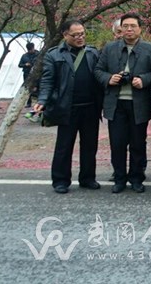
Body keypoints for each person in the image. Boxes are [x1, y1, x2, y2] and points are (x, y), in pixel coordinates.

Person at [33, 20, 103, 193]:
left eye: (82, 34)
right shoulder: (54, 55)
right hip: (67, 108)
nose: (80, 38)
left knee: (89, 146)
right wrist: (42, 100)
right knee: (64, 146)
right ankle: (60, 180)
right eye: (75, 35)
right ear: (65, 35)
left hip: (90, 108)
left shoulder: (92, 53)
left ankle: (87, 178)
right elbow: (48, 80)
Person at [94, 12, 151, 194]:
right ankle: (119, 177)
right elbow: (98, 70)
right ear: (120, 29)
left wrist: (144, 80)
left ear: (140, 29)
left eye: (133, 26)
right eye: (125, 26)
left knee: (138, 143)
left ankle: (137, 177)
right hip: (116, 104)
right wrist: (109, 78)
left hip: (139, 103)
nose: (129, 29)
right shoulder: (109, 48)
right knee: (117, 143)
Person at [19, 40, 39, 113]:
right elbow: (20, 65)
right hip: (27, 74)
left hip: (36, 74)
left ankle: (39, 102)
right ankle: (28, 102)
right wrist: (25, 65)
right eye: (29, 50)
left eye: (32, 49)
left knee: (37, 88)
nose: (31, 51)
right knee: (27, 88)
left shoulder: (38, 54)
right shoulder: (24, 56)